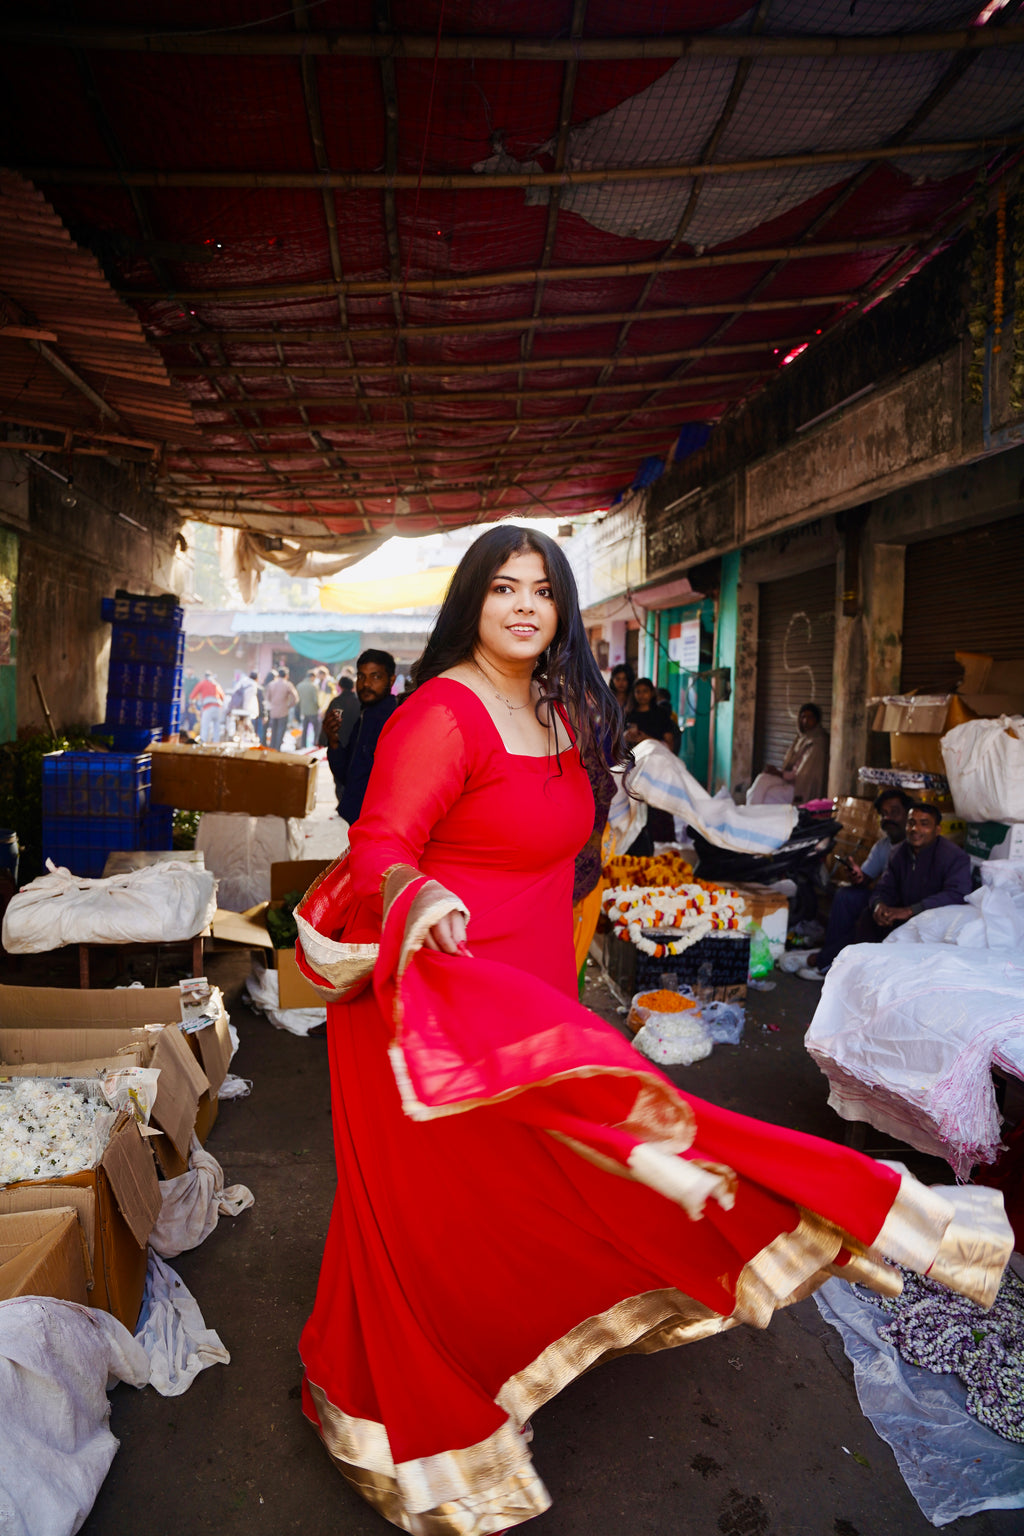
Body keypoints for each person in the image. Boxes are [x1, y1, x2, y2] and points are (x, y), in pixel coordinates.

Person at [294, 524, 1008, 1536]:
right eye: (502, 589)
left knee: (561, 1175)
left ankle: (514, 1331)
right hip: (448, 1008)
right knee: (459, 1203)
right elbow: (379, 846)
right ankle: (412, 1411)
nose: (524, 607)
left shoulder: (554, 707)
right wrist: (414, 895)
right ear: (472, 602)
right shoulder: (440, 714)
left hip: (532, 994)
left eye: (542, 591)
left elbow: (559, 836)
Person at [792, 789, 914, 979]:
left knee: (867, 913)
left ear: (908, 814)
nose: (889, 818)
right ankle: (830, 960)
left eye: (895, 812)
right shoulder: (883, 846)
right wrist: (857, 876)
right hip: (881, 898)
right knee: (846, 896)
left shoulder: (914, 847)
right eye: (884, 814)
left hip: (904, 903)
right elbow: (866, 877)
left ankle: (829, 961)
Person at [860, 801, 972, 941]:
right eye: (911, 823)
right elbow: (885, 887)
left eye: (924, 824)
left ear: (937, 830)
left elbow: (957, 893)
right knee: (868, 916)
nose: (915, 829)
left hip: (934, 921)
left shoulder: (954, 856)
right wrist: (879, 905)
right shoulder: (898, 852)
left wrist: (911, 910)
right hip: (902, 916)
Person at [328, 649, 399, 824]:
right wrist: (334, 741)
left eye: (375, 677)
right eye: (361, 677)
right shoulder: (365, 717)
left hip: (378, 822)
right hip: (359, 819)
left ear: (391, 680)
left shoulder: (394, 720)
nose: (366, 684)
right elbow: (348, 774)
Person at [748, 702, 830, 806]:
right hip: (787, 779)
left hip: (799, 788)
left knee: (769, 796)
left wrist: (780, 774)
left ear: (817, 720)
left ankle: (754, 816)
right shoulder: (801, 738)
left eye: (810, 717)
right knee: (761, 780)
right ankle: (748, 812)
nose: (806, 721)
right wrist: (778, 773)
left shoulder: (818, 742)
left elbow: (801, 774)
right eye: (803, 717)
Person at [318, 674, 360, 769]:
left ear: (340, 686)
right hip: (356, 742)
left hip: (339, 742)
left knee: (339, 770)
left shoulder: (337, 702)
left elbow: (329, 721)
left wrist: (323, 740)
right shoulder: (359, 702)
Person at [626, 676, 676, 751]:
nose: (641, 695)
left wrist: (647, 739)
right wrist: (626, 737)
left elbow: (669, 744)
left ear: (652, 693)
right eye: (638, 692)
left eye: (645, 691)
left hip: (656, 755)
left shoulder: (661, 714)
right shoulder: (629, 714)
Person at [265, 667, 299, 751]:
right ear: (286, 675)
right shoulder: (287, 684)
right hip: (283, 711)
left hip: (273, 710)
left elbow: (268, 698)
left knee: (273, 730)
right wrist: (289, 705)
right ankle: (277, 748)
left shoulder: (271, 684)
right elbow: (296, 698)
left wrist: (273, 703)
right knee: (280, 731)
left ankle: (272, 748)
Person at [188, 671, 224, 744]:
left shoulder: (202, 683)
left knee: (205, 726)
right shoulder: (216, 684)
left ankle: (203, 742)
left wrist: (192, 704)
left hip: (208, 708)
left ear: (204, 677)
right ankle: (216, 743)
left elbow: (192, 695)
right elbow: (223, 696)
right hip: (218, 708)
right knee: (216, 727)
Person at [296, 669, 323, 750]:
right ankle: (315, 744)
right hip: (313, 711)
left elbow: (298, 700)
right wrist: (319, 708)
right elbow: (316, 700)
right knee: (316, 729)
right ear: (312, 677)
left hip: (303, 711)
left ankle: (303, 745)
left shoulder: (299, 685)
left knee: (304, 729)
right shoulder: (314, 686)